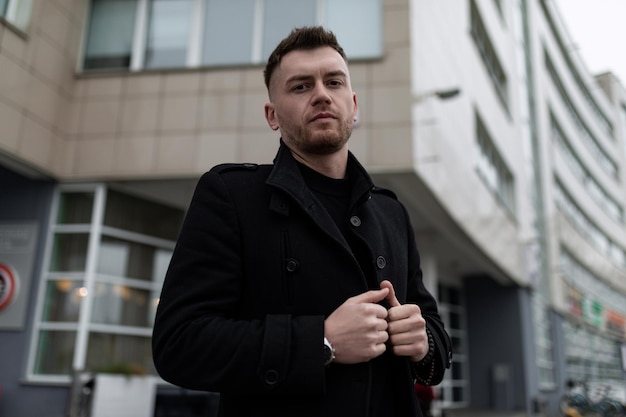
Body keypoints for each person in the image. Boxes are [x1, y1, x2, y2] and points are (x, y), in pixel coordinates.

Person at [152, 26, 452, 417]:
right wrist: (320, 342)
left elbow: (435, 340)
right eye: (300, 86)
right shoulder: (232, 196)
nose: (322, 94)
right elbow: (180, 344)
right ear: (272, 115)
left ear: (354, 104)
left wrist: (424, 341)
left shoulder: (390, 212)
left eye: (334, 82)